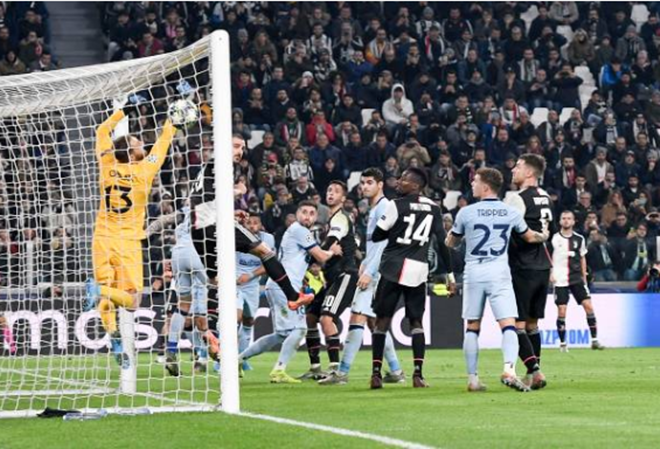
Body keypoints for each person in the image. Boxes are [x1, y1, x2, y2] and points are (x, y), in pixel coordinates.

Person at [84, 98, 177, 368]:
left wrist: (124, 111)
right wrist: (173, 122)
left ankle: (114, 338)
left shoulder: (106, 162)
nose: (143, 144)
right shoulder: (145, 171)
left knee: (109, 297)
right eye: (138, 143)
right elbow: (163, 143)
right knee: (133, 301)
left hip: (102, 237)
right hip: (127, 242)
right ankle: (97, 289)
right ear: (133, 154)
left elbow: (102, 131)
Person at [447, 168, 549, 393]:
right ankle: (509, 370)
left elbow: (451, 243)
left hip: (474, 272)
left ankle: (473, 380)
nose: (472, 184)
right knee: (509, 324)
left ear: (485, 186)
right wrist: (544, 234)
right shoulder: (510, 212)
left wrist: (450, 236)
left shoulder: (466, 212)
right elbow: (529, 236)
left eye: (475, 181)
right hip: (499, 272)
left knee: (472, 326)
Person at [189, 134, 314, 314]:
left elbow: (203, 201)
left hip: (197, 228)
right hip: (212, 224)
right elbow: (217, 196)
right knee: (265, 251)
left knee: (216, 279)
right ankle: (293, 297)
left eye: (242, 148)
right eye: (236, 146)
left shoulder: (207, 168)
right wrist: (237, 191)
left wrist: (230, 214)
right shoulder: (221, 164)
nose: (240, 151)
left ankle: (213, 326)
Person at [369, 168, 455, 389]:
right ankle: (418, 375)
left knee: (382, 321)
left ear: (416, 185)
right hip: (418, 270)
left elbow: (377, 235)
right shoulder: (434, 208)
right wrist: (450, 275)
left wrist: (396, 231)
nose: (399, 182)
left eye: (404, 179)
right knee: (416, 322)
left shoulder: (395, 205)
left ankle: (376, 374)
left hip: (393, 268)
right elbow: (442, 242)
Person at [239, 201, 342, 383]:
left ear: (316, 217)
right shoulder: (299, 230)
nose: (307, 216)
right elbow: (321, 257)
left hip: (282, 286)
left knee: (281, 334)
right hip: (283, 287)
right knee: (300, 329)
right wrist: (332, 251)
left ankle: (238, 360)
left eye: (311, 213)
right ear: (297, 214)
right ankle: (279, 370)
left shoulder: (299, 232)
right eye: (304, 212)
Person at [319, 168, 403, 385]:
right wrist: (365, 262)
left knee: (357, 317)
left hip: (378, 273)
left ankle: (341, 373)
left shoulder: (384, 207)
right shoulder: (375, 209)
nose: (364, 186)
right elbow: (376, 244)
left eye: (369, 182)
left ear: (380, 185)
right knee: (374, 323)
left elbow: (386, 245)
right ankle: (396, 371)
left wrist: (369, 272)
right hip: (375, 269)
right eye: (362, 183)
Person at [300, 181, 359, 380]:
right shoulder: (332, 220)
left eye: (336, 191)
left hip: (345, 275)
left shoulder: (341, 218)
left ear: (343, 198)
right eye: (329, 190)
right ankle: (316, 368)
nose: (331, 193)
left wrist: (318, 253)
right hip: (332, 278)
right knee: (311, 317)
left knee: (326, 318)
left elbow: (331, 241)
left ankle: (336, 371)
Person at [506, 154, 554, 389]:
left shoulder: (517, 199)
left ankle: (535, 371)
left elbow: (509, 232)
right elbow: (550, 231)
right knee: (533, 324)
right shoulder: (546, 197)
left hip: (522, 265)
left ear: (529, 173)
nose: (513, 170)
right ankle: (532, 373)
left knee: (518, 324)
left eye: (518, 166)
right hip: (542, 265)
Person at [165, 205, 219, 376]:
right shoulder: (213, 207)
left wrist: (147, 232)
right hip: (198, 252)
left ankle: (171, 349)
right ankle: (214, 352)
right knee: (222, 289)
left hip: (178, 254)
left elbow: (164, 220)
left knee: (183, 306)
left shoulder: (185, 213)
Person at [550, 211, 604, 352]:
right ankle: (563, 344)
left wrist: (584, 276)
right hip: (560, 278)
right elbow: (548, 257)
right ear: (560, 221)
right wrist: (550, 272)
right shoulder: (554, 238)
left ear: (573, 221)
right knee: (562, 311)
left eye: (569, 218)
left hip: (576, 278)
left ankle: (594, 340)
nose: (566, 221)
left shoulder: (579, 239)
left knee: (588, 306)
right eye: (563, 218)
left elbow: (582, 258)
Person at [235, 213, 275, 371]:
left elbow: (270, 264)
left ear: (261, 225)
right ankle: (222, 360)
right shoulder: (236, 235)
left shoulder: (268, 239)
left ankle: (242, 359)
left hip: (252, 286)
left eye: (255, 223)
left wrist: (250, 275)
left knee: (248, 321)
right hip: (234, 284)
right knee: (234, 319)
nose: (252, 226)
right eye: (249, 223)